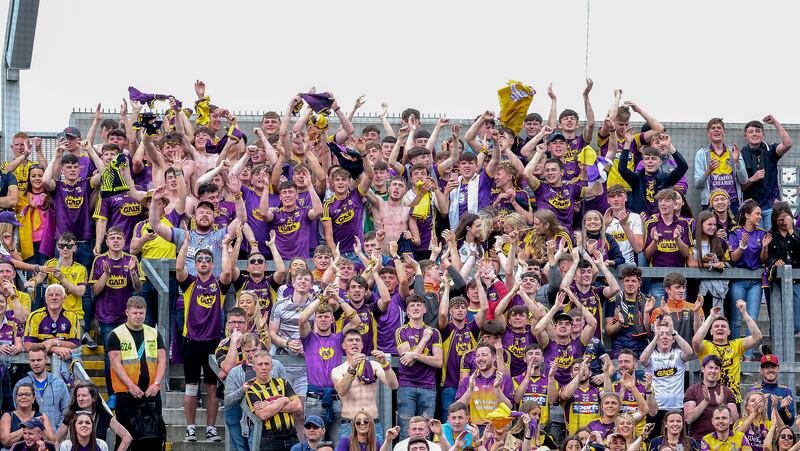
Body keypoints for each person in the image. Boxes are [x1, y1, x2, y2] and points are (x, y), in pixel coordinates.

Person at [175, 232, 231, 441]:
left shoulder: (219, 284)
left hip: (213, 343)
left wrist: (225, 246)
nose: (204, 262)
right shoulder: (189, 283)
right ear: (196, 264)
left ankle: (211, 428)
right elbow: (179, 269)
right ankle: (190, 428)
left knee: (212, 388)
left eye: (208, 260)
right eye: (200, 260)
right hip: (191, 341)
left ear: (212, 264)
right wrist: (186, 244)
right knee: (191, 386)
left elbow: (227, 271)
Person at [89, 227, 145, 404]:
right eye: (112, 238)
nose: (115, 241)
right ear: (106, 241)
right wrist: (106, 274)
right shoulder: (99, 260)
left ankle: (131, 388)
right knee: (110, 356)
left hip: (127, 317)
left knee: (132, 354)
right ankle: (113, 393)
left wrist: (133, 272)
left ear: (124, 241)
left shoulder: (132, 259)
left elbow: (138, 288)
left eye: (119, 238)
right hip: (106, 316)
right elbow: (95, 290)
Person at [298, 290, 361, 436]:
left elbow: (356, 321)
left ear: (332, 319)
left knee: (337, 444)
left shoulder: (339, 338)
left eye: (327, 316)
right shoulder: (308, 338)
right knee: (315, 443)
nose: (323, 319)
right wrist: (322, 298)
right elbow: (302, 319)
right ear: (315, 319)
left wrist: (338, 298)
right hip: (314, 398)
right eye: (320, 316)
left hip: (336, 397)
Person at [106, 297, 166, 449]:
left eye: (141, 313)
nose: (138, 316)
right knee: (125, 437)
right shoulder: (116, 334)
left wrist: (157, 384)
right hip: (126, 394)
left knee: (152, 437)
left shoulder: (154, 333)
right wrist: (131, 386)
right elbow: (115, 363)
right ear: (127, 312)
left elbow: (162, 360)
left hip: (151, 393)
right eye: (135, 313)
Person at [332, 329, 398, 438]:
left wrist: (385, 364)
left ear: (362, 345)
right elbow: (342, 391)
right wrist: (352, 367)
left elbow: (394, 385)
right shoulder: (338, 370)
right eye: (350, 340)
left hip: (372, 423)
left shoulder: (374, 365)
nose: (354, 342)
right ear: (343, 346)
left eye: (357, 340)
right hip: (350, 423)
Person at [27, 233, 89, 346]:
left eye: (69, 246)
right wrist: (32, 282)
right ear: (57, 247)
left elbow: (80, 292)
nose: (65, 249)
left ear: (75, 248)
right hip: (53, 316)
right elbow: (40, 277)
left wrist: (61, 278)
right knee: (49, 348)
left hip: (74, 316)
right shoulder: (51, 263)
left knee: (71, 350)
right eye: (62, 246)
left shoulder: (81, 269)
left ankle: (84, 335)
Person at [692, 302, 762, 402]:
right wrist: (711, 317)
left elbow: (757, 337)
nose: (720, 328)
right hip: (709, 399)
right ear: (711, 332)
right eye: (716, 326)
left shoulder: (737, 345)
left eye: (723, 326)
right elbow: (695, 340)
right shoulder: (705, 346)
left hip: (732, 399)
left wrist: (744, 313)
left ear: (729, 332)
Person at [396, 295, 443, 439]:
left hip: (428, 387)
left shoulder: (434, 332)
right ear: (407, 311)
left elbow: (438, 362)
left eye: (419, 305)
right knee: (406, 431)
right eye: (412, 305)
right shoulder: (401, 331)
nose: (415, 308)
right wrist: (424, 340)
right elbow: (406, 360)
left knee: (426, 431)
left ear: (424, 310)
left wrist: (416, 355)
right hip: (406, 385)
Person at [739, 116, 793, 229]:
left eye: (758, 131)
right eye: (750, 132)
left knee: (770, 239)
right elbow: (741, 187)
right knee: (755, 242)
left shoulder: (771, 150)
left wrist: (775, 123)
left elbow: (788, 144)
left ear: (763, 134)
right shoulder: (740, 155)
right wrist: (752, 178)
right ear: (746, 136)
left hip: (771, 205)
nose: (754, 134)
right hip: (751, 207)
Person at [640, 318, 694, 430]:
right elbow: (642, 359)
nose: (664, 337)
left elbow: (689, 352)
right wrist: (655, 336)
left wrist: (674, 331)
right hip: (655, 408)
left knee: (677, 443)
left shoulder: (678, 355)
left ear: (673, 339)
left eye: (668, 334)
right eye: (661, 334)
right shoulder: (652, 356)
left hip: (676, 408)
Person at [728, 200, 768, 351]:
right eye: (757, 213)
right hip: (738, 279)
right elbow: (733, 258)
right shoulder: (735, 232)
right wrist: (742, 246)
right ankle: (736, 353)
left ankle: (749, 356)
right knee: (737, 320)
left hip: (755, 281)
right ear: (747, 215)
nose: (759, 216)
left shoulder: (762, 233)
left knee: (753, 318)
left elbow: (763, 260)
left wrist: (764, 248)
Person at [617, 130, 688, 215]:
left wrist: (669, 145)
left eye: (654, 158)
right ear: (643, 162)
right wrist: (627, 144)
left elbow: (683, 167)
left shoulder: (666, 179)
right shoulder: (636, 179)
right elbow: (622, 169)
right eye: (647, 159)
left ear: (660, 162)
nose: (650, 161)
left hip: (659, 222)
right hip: (640, 221)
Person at [245, 351, 304, 451]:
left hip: (292, 436)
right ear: (254, 367)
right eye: (260, 364)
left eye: (267, 364)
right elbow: (263, 414)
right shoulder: (251, 390)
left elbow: (298, 407)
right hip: (270, 439)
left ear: (271, 366)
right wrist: (283, 400)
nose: (264, 367)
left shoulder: (283, 383)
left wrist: (269, 405)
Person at [694, 118, 748, 214]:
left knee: (734, 229)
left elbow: (744, 180)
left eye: (719, 127)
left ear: (724, 132)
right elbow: (697, 184)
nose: (716, 130)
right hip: (710, 204)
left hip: (733, 202)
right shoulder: (701, 153)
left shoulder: (733, 151)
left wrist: (737, 162)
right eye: (713, 128)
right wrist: (708, 171)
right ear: (708, 133)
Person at [54, 382, 131, 449]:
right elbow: (56, 440)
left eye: (84, 395)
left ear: (93, 398)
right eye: (78, 396)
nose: (80, 399)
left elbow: (127, 437)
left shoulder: (103, 415)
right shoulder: (71, 414)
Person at [455, 344, 515, 428]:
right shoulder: (468, 380)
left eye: (484, 355)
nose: (480, 358)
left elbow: (509, 407)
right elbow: (457, 408)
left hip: (498, 428)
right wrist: (470, 389)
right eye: (477, 356)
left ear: (494, 358)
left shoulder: (505, 379)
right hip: (474, 428)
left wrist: (497, 389)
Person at [683, 355, 738, 441]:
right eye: (710, 367)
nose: (713, 371)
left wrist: (722, 405)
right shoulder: (692, 390)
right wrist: (705, 401)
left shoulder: (726, 391)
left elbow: (735, 421)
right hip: (699, 440)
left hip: (723, 441)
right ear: (703, 369)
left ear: (719, 370)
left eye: (716, 368)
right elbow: (688, 419)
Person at [766, 202, 800, 334]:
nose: (784, 222)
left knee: (796, 324)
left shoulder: (797, 232)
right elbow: (767, 257)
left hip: (796, 281)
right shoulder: (771, 234)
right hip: (777, 281)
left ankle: (770, 347)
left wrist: (791, 231)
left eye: (786, 219)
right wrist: (774, 261)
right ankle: (775, 350)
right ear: (775, 219)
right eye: (781, 220)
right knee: (777, 320)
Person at [0, 384, 55, 449]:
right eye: (20, 395)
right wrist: (29, 424)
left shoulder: (42, 416)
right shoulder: (8, 416)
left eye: (27, 394)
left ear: (33, 398)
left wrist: (39, 424)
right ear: (16, 399)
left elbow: (52, 441)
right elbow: (5, 441)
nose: (23, 397)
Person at [749, 352, 795, 426]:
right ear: (761, 370)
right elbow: (748, 417)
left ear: (778, 369)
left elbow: (790, 422)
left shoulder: (786, 391)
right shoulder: (754, 391)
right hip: (759, 434)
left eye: (773, 367)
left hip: (779, 434)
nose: (770, 370)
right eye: (767, 367)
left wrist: (783, 409)